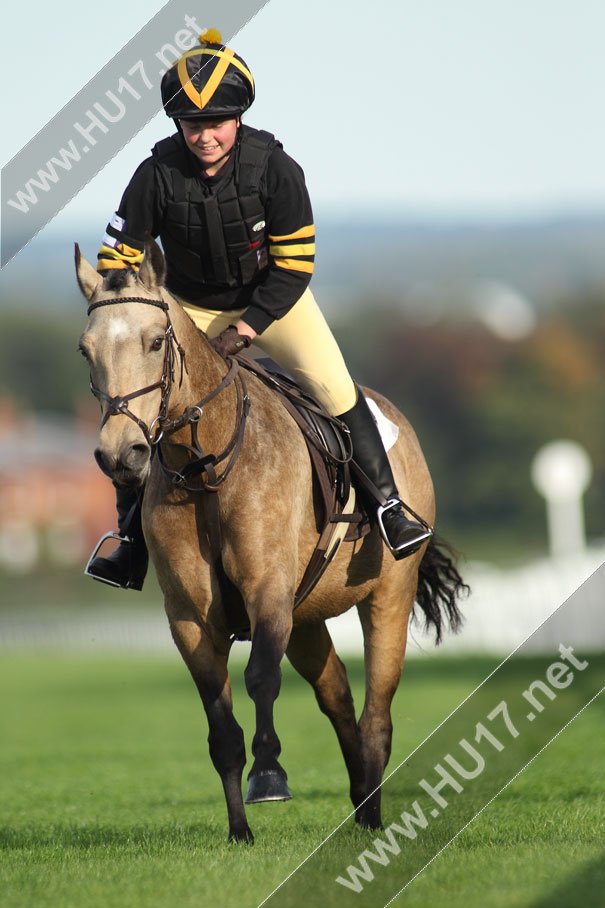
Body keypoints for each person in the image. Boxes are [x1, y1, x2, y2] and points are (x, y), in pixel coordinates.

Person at [86, 29, 432, 590]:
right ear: (178, 124)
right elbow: (117, 257)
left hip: (273, 301)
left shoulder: (276, 169)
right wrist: (124, 302)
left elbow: (294, 266)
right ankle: (129, 542)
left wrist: (247, 329)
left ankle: (391, 508)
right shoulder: (154, 174)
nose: (204, 137)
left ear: (238, 118)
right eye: (193, 125)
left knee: (337, 389)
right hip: (188, 309)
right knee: (133, 413)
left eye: (216, 123)